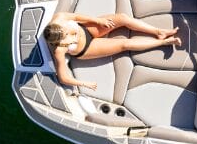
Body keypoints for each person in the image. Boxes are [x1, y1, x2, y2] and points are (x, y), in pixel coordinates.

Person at [42, 12, 180, 92]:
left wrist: (98, 20)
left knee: (122, 18)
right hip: (87, 47)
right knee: (125, 44)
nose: (72, 36)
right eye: (68, 39)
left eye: (68, 32)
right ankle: (163, 42)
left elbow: (77, 18)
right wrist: (84, 83)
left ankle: (159, 32)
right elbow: (63, 78)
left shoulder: (60, 17)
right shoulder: (59, 51)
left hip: (86, 29)